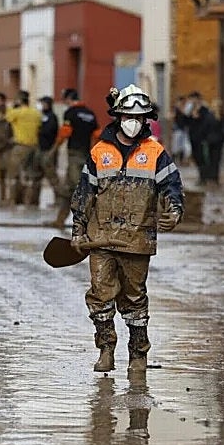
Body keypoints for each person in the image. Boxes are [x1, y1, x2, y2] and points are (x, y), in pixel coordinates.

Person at [71, 84, 184, 373]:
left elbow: (171, 187)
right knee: (99, 295)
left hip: (137, 239)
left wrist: (174, 211)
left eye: (140, 118)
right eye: (128, 117)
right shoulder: (100, 152)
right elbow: (85, 192)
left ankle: (137, 354)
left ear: (147, 120)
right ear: (118, 117)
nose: (134, 123)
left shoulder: (156, 153)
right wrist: (78, 228)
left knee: (135, 298)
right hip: (101, 238)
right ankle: (106, 349)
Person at [48, 87, 97, 227]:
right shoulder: (90, 113)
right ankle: (59, 221)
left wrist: (53, 150)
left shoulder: (70, 113)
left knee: (79, 188)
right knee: (68, 188)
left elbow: (65, 132)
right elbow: (97, 135)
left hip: (74, 155)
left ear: (69, 99)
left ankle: (90, 222)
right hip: (87, 155)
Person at [5, 90, 42, 205]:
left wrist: (13, 106)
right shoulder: (36, 113)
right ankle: (31, 200)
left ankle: (13, 199)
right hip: (34, 147)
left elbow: (7, 118)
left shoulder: (16, 112)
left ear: (19, 100)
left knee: (13, 174)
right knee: (31, 174)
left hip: (20, 146)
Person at [32, 95, 62, 207]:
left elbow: (49, 132)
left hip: (48, 150)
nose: (42, 106)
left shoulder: (51, 117)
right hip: (40, 149)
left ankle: (59, 200)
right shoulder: (42, 116)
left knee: (52, 177)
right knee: (36, 176)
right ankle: (34, 201)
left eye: (44, 104)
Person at [201, 98, 224, 185]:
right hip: (218, 142)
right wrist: (222, 140)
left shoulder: (209, 116)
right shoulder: (221, 116)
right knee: (217, 160)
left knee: (210, 159)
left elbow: (204, 129)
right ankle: (215, 177)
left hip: (210, 141)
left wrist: (205, 138)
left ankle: (209, 177)